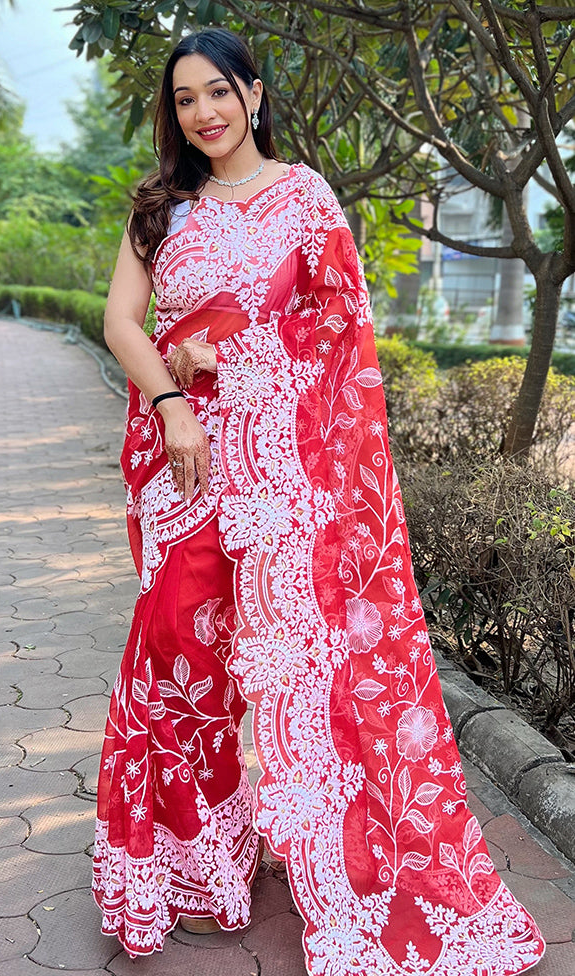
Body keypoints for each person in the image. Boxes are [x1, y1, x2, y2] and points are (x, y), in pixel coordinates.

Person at [93, 26, 545, 976]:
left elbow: (343, 338)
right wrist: (175, 400)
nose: (204, 113)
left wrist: (247, 359)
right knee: (178, 645)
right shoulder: (159, 209)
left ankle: (353, 862)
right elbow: (120, 321)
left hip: (290, 479)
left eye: (218, 92)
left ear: (254, 94)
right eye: (184, 100)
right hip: (191, 473)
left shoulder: (306, 199)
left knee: (308, 671)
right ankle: (186, 863)